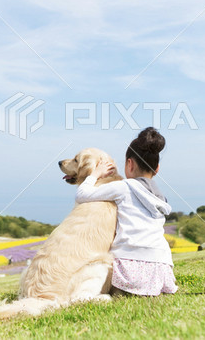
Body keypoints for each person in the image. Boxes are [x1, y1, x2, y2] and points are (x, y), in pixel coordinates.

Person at [75, 127, 178, 296]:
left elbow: (82, 195)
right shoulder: (161, 198)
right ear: (157, 168)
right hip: (161, 273)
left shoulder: (124, 187)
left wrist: (95, 174)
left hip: (130, 272)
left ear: (129, 164)